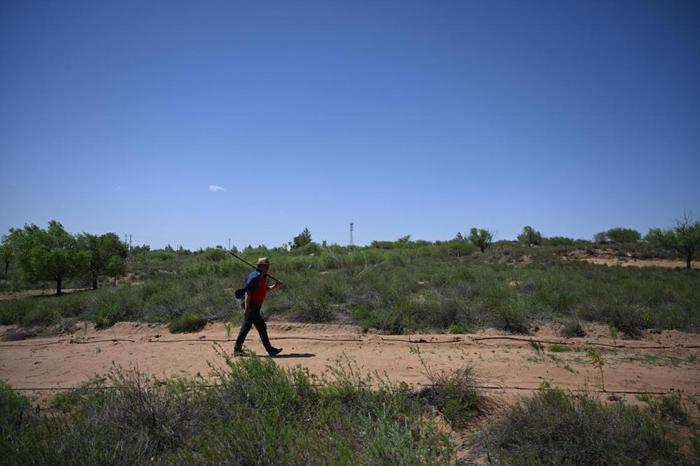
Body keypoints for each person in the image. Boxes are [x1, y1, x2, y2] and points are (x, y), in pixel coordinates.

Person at [234, 257, 284, 356]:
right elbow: (248, 293)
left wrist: (275, 286)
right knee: (262, 327)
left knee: (245, 328)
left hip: (255, 307)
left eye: (268, 265)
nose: (268, 267)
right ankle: (270, 350)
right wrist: (247, 309)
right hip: (252, 307)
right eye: (266, 265)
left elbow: (265, 289)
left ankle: (237, 350)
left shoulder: (262, 276)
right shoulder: (255, 277)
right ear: (260, 266)